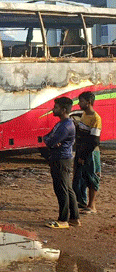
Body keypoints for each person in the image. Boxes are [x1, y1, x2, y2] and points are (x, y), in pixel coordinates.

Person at [43, 96, 80, 229]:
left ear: (63, 110)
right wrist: (50, 141)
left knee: (61, 190)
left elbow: (50, 141)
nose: (53, 109)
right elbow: (47, 137)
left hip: (61, 159)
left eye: (56, 107)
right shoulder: (62, 124)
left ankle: (63, 220)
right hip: (61, 158)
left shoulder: (65, 126)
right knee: (67, 188)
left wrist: (51, 142)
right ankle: (74, 218)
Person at [72, 91, 101, 214]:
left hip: (90, 153)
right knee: (81, 177)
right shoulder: (84, 114)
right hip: (81, 150)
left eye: (81, 101)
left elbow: (94, 141)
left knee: (92, 179)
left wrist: (83, 156)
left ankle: (92, 206)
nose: (79, 103)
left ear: (88, 102)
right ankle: (83, 202)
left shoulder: (96, 118)